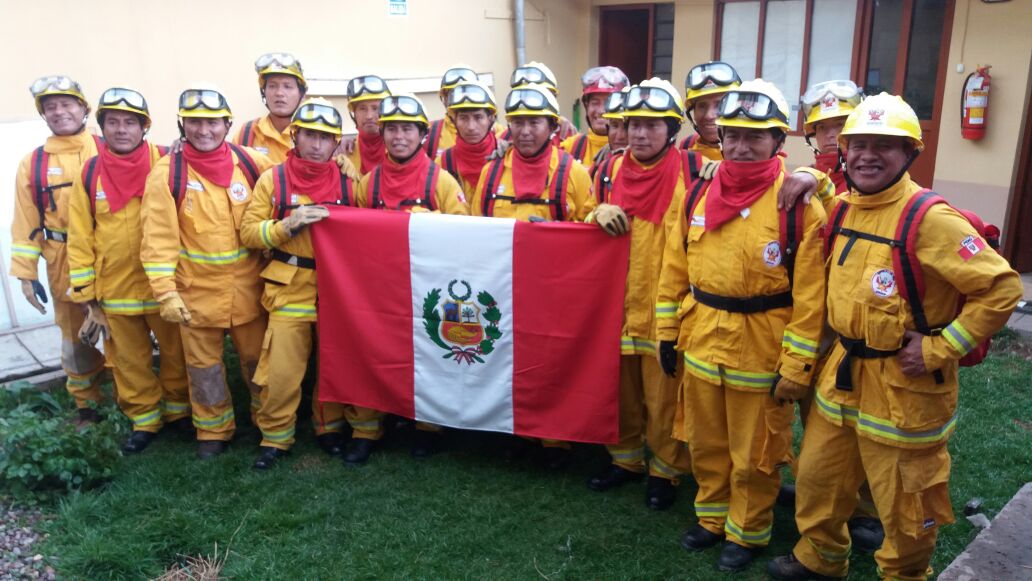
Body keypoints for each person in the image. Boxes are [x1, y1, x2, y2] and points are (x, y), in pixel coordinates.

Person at [767, 93, 1023, 581]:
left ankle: (904, 575)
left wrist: (937, 348)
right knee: (819, 481)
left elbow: (1002, 287)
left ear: (910, 154)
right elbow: (818, 191)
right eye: (858, 143)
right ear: (842, 150)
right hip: (840, 380)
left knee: (907, 504)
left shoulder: (931, 219)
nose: (867, 154)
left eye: (885, 145)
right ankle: (819, 560)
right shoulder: (843, 208)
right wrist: (813, 175)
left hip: (906, 390)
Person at [655, 79, 830, 572]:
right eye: (732, 134)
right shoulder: (696, 194)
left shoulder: (799, 205)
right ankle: (711, 518)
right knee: (707, 441)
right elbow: (674, 270)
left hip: (763, 345)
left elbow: (812, 298)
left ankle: (747, 531)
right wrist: (668, 334)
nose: (740, 145)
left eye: (755, 136)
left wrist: (797, 365)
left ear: (779, 142)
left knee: (755, 450)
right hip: (703, 336)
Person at [140, 85, 274, 459]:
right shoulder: (166, 174)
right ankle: (213, 429)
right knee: (204, 368)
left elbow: (290, 183)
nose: (204, 131)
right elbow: (157, 239)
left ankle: (270, 423)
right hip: (194, 294)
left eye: (212, 122)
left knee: (258, 362)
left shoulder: (250, 163)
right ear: (183, 125)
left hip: (250, 290)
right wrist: (165, 292)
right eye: (195, 123)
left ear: (227, 123)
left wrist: (340, 160)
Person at [583, 78, 693, 510]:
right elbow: (578, 222)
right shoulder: (607, 169)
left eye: (652, 125)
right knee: (620, 391)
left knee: (664, 396)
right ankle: (626, 459)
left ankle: (666, 471)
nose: (641, 134)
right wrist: (597, 209)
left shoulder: (695, 168)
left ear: (671, 129)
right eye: (634, 125)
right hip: (615, 303)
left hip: (665, 305)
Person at [67, 87, 190, 452]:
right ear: (102, 127)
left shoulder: (168, 162)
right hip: (115, 287)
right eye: (114, 122)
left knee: (175, 352)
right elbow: (79, 235)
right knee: (127, 359)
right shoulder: (90, 174)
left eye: (130, 123)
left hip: (163, 283)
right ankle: (145, 419)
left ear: (144, 127)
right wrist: (87, 297)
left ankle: (180, 411)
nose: (122, 129)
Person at [241, 98, 360, 469]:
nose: (317, 144)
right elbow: (247, 232)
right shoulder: (272, 180)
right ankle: (275, 438)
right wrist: (284, 226)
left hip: (336, 288)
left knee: (334, 365)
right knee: (281, 370)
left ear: (336, 143)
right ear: (296, 136)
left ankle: (329, 428)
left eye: (326, 137)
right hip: (288, 285)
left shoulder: (348, 178)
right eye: (310, 135)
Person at [349, 93, 468, 463]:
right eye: (391, 129)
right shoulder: (368, 184)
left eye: (407, 129)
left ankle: (427, 428)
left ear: (421, 134)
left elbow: (464, 237)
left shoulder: (443, 182)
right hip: (381, 289)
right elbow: (352, 238)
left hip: (428, 290)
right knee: (372, 354)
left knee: (429, 357)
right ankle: (366, 428)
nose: (399, 137)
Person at [10, 75, 105, 427]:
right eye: (51, 107)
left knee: (123, 335)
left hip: (108, 256)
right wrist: (24, 273)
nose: (60, 112)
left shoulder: (107, 146)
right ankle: (87, 406)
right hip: (62, 262)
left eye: (67, 104)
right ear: (43, 114)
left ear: (84, 108)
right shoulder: (32, 164)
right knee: (75, 341)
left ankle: (134, 402)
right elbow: (24, 222)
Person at [470, 83, 593, 222]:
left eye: (534, 122)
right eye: (518, 123)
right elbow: (477, 230)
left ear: (552, 127)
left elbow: (589, 231)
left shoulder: (574, 173)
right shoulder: (490, 173)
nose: (525, 131)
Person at [234, 52, 307, 162]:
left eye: (287, 86)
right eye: (272, 86)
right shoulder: (247, 133)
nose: (279, 93)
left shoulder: (311, 135)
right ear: (264, 92)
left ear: (302, 95)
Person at [436, 80, 500, 199]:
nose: (471, 127)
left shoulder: (507, 160)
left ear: (491, 119)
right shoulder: (443, 163)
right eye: (463, 118)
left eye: (478, 117)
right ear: (454, 120)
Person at [560, 66, 629, 171]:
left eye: (608, 102)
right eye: (595, 103)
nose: (601, 110)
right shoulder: (571, 146)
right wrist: (551, 121)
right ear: (586, 106)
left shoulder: (638, 149)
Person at [800, 80, 863, 194]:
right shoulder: (803, 180)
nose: (830, 135)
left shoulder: (871, 183)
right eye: (822, 127)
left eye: (840, 125)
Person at [680, 61, 741, 160]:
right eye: (702, 106)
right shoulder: (686, 146)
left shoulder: (754, 152)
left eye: (719, 104)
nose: (709, 115)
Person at [423, 65, 480, 158]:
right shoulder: (428, 132)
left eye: (464, 93)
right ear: (444, 99)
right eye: (452, 94)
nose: (459, 100)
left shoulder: (496, 131)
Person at [344, 74, 391, 176]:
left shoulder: (400, 148)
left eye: (375, 108)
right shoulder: (343, 151)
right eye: (362, 108)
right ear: (354, 113)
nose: (369, 116)